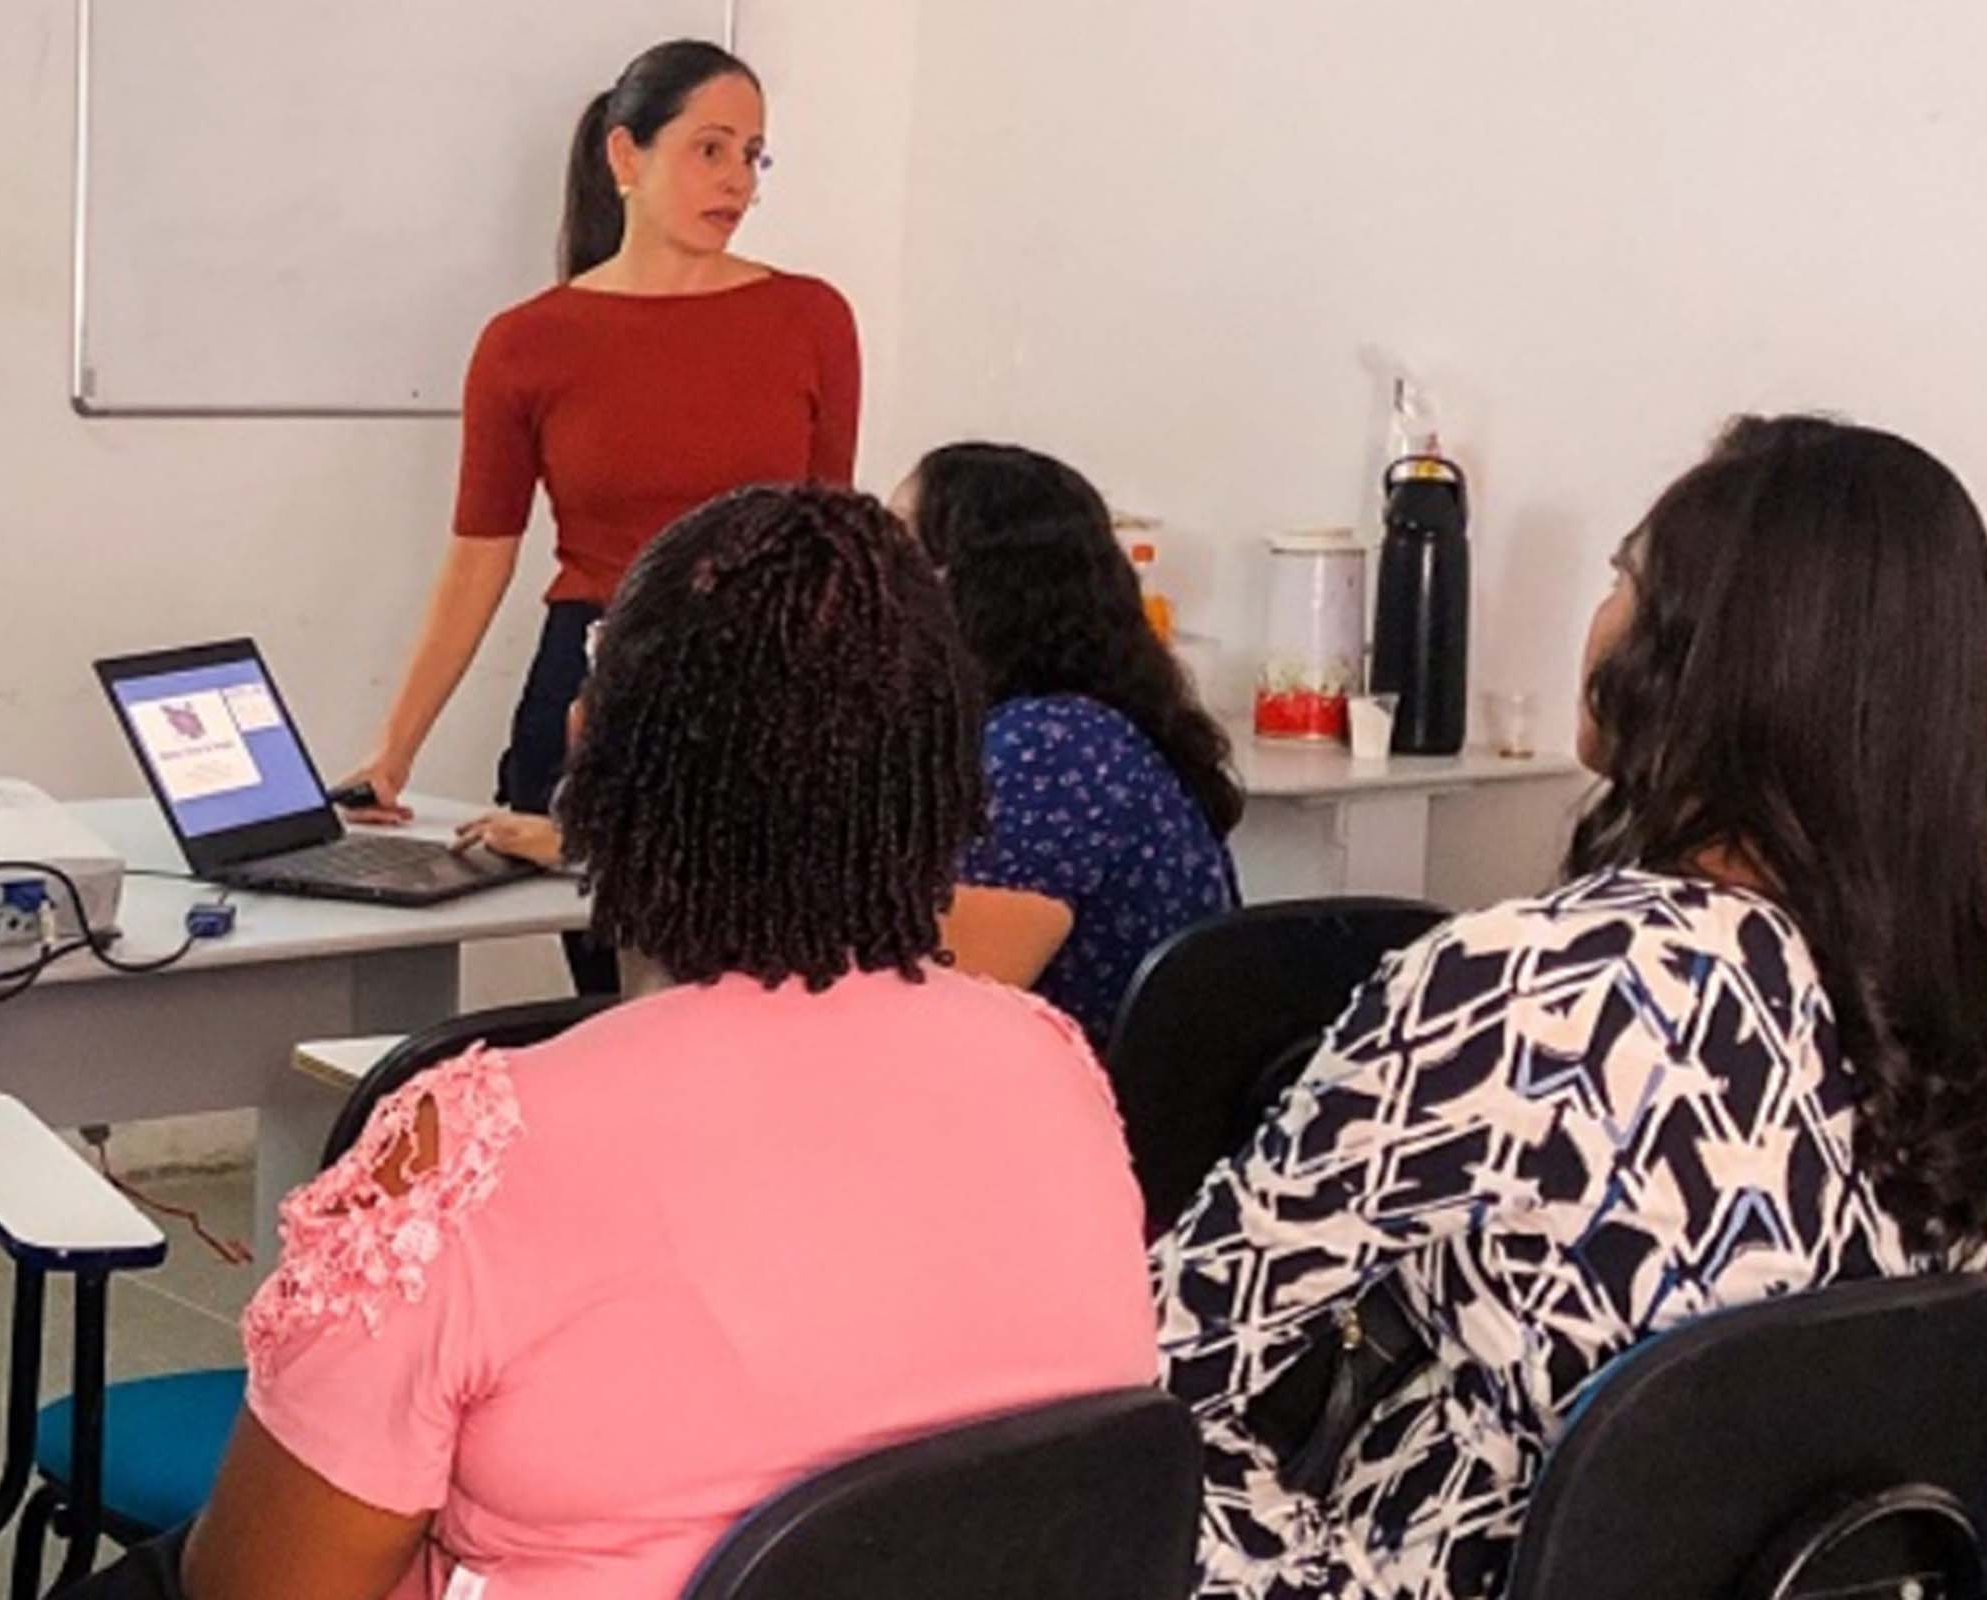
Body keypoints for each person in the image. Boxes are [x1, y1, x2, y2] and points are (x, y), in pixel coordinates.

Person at [1155, 416, 1987, 1600]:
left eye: (1625, 579)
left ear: (1710, 656)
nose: (1599, 614)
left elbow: (1174, 1350)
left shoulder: (1539, 985)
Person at [166, 486, 1156, 1600]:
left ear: (598, 755)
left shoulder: (475, 1148)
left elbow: (256, 1588)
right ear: (938, 776)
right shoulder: (1049, 1063)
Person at [340, 40, 861, 891]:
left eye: (753, 155)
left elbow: (835, 546)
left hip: (761, 691)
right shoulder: (526, 343)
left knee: (738, 990)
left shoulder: (811, 318)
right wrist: (394, 750)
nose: (740, 180)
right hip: (591, 684)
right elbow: (479, 556)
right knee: (605, 997)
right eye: (710, 148)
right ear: (627, 154)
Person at [895, 442, 1243, 1049]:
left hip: (1065, 1122)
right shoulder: (1079, 728)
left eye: (896, 547)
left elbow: (932, 1009)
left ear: (967, 582)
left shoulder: (1050, 750)